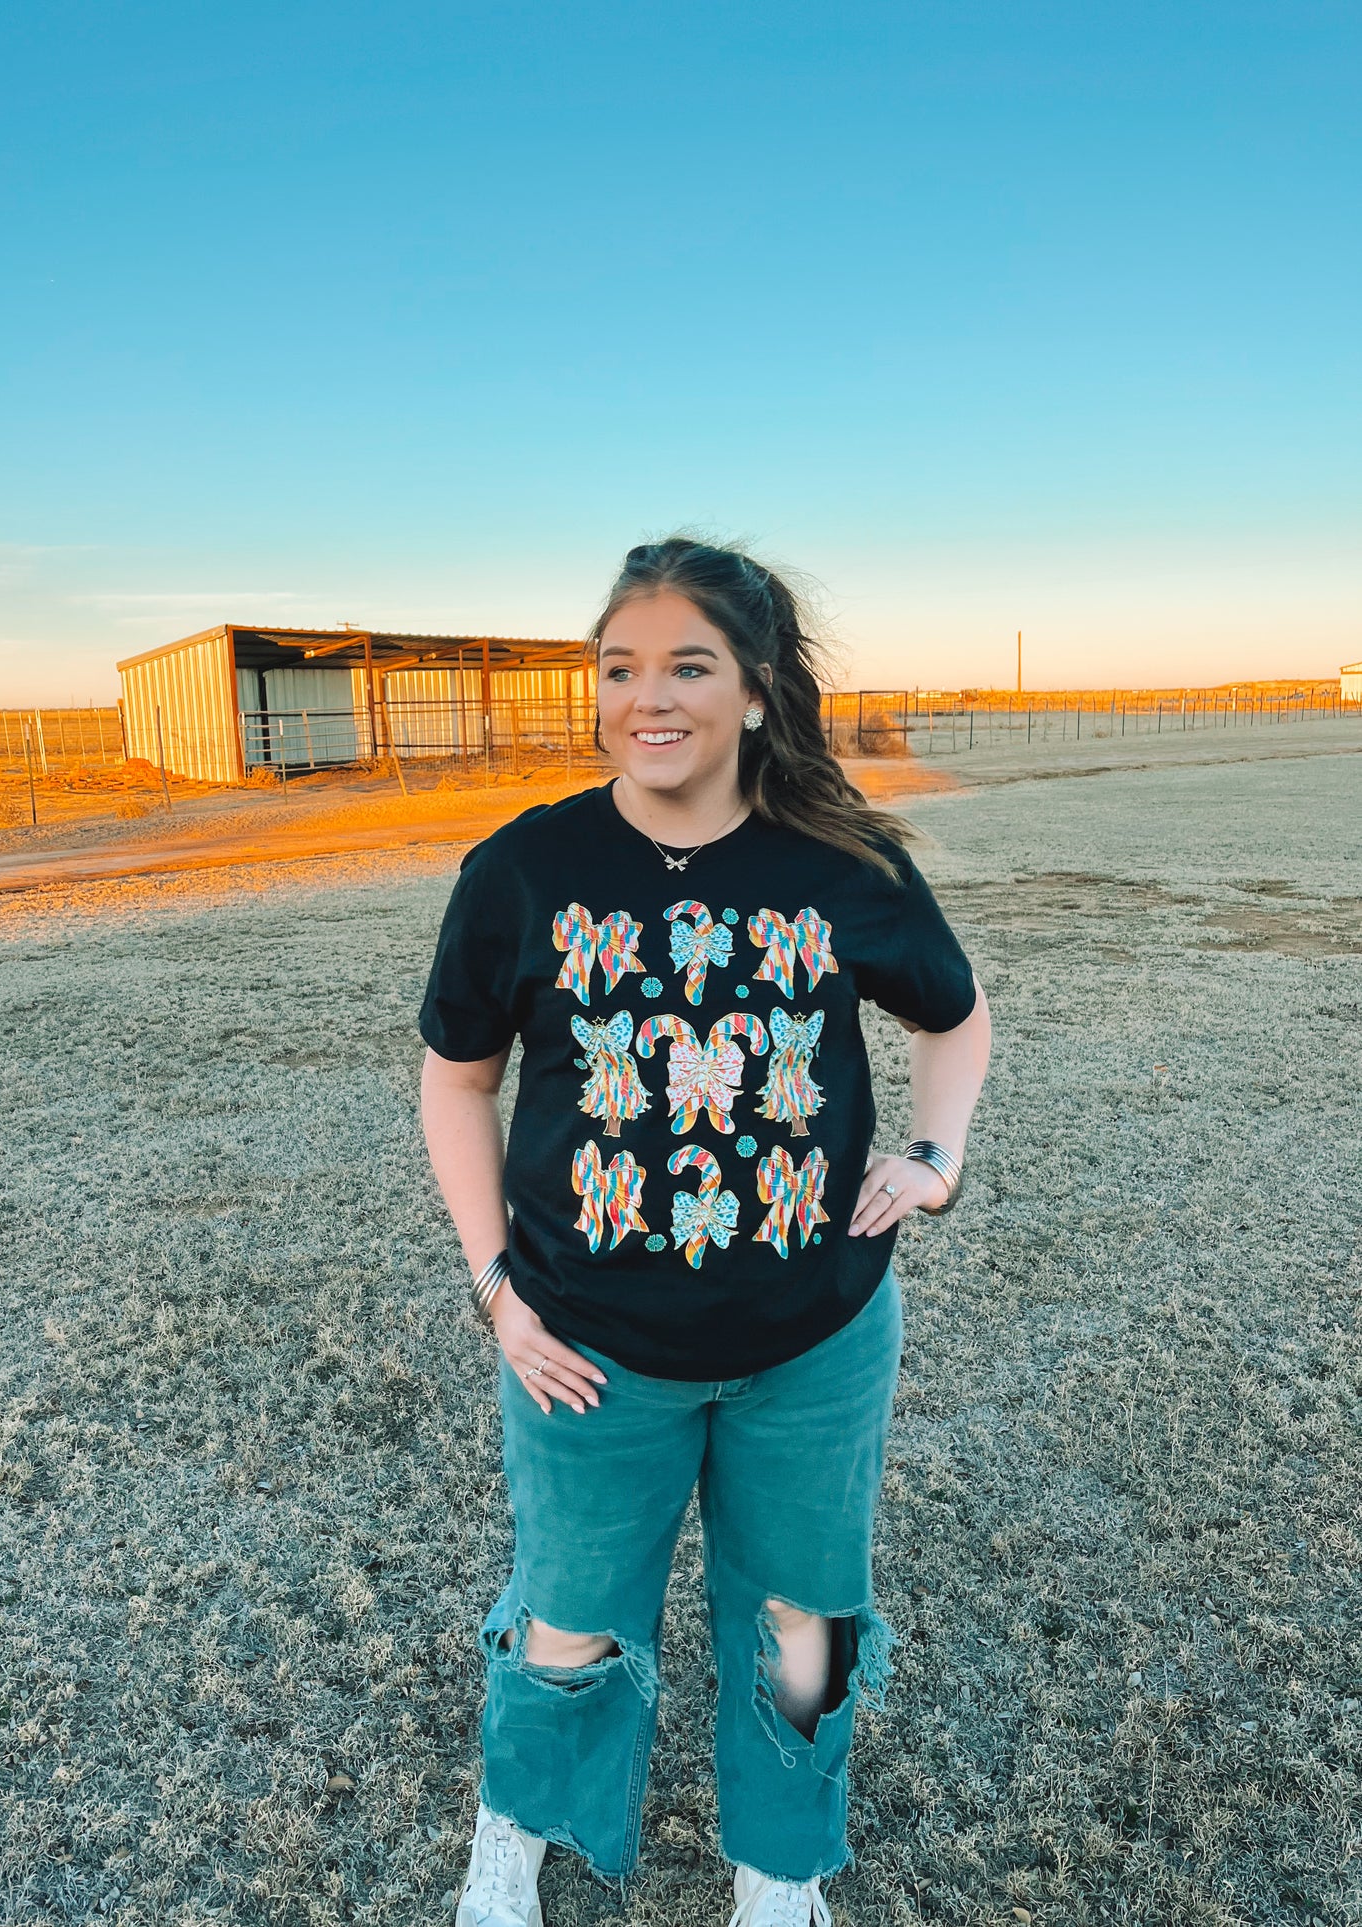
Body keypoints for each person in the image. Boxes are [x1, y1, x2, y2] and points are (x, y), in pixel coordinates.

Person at [419, 537, 991, 1927]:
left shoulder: (844, 863)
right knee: (569, 1622)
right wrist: (497, 1290)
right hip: (586, 1346)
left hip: (815, 1342)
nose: (645, 697)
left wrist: (932, 1159)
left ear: (753, 692)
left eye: (686, 665)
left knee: (802, 1627)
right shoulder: (526, 869)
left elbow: (951, 1018)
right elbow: (457, 1077)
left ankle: (780, 1866)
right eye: (618, 669)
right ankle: (527, 1822)